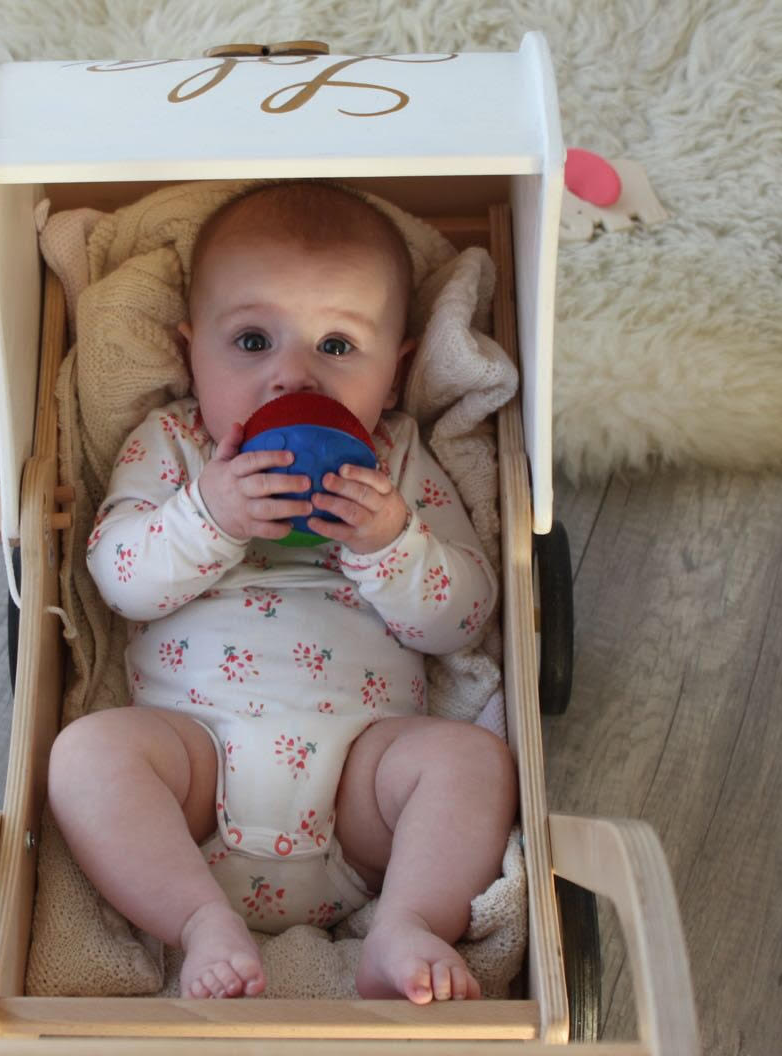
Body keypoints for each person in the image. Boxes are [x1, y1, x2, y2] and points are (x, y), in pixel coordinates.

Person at [47, 182, 516, 1004]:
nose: (291, 375)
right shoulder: (173, 445)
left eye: (337, 345)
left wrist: (390, 543)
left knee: (471, 762)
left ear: (396, 372)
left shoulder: (397, 460)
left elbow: (465, 617)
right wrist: (209, 517)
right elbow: (118, 579)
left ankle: (405, 922)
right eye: (252, 340)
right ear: (192, 352)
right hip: (193, 775)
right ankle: (199, 922)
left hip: (361, 788)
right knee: (87, 755)